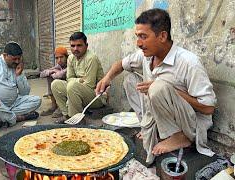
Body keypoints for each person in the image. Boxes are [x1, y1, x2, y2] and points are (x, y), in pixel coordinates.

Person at [96, 8, 216, 164]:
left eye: (143, 37)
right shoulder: (147, 56)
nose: (138, 43)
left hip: (188, 125)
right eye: (137, 36)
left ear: (162, 36)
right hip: (160, 116)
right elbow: (120, 64)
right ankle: (148, 127)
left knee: (159, 87)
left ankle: (180, 137)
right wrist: (107, 78)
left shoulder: (188, 62)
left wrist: (169, 89)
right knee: (130, 80)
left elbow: (208, 108)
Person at [51, 32, 106, 123]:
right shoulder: (71, 58)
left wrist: (74, 83)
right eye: (73, 46)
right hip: (78, 91)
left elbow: (90, 85)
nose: (75, 49)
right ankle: (67, 115)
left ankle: (78, 120)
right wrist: (79, 80)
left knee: (72, 86)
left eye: (79, 45)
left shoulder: (91, 59)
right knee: (55, 84)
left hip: (96, 97)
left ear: (86, 45)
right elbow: (69, 78)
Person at [40, 46, 68, 117]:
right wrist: (52, 71)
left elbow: (59, 75)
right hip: (63, 88)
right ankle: (54, 105)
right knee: (50, 76)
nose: (59, 60)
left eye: (61, 57)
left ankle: (62, 107)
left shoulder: (70, 64)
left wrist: (54, 72)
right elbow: (42, 74)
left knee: (56, 80)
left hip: (71, 90)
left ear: (66, 57)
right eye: (57, 58)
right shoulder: (59, 65)